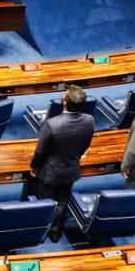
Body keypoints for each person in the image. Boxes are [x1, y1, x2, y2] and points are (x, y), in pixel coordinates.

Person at [28, 85, 95, 242]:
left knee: (46, 203)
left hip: (50, 172)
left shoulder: (52, 124)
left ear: (64, 102)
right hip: (71, 169)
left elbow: (40, 151)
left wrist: (34, 166)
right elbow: (85, 144)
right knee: (62, 202)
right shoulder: (89, 120)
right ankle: (55, 233)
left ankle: (42, 233)